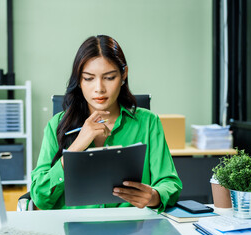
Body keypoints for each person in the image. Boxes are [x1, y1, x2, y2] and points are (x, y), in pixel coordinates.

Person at [30, 35, 182, 212]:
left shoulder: (149, 122)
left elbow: (170, 183)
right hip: (74, 230)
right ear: (79, 80)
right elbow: (40, 198)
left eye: (109, 77)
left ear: (123, 74)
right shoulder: (56, 125)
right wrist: (77, 147)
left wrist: (154, 196)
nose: (99, 88)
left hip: (133, 229)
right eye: (88, 78)